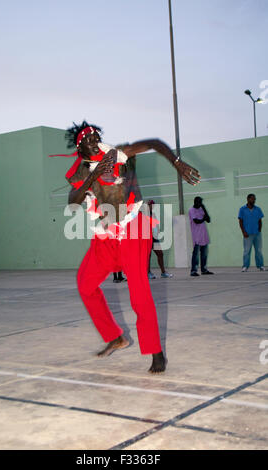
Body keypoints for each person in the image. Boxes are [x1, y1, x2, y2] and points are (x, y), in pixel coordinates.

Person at [64, 121, 200, 373]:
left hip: (133, 228)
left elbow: (153, 143)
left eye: (96, 135)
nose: (94, 139)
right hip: (105, 236)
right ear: (80, 146)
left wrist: (176, 162)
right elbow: (73, 202)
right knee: (85, 283)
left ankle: (156, 352)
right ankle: (115, 337)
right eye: (88, 138)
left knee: (139, 291)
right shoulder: (82, 171)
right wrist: (93, 174)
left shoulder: (118, 153)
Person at [238, 194, 265, 272]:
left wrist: (259, 230)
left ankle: (261, 266)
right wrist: (244, 232)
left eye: (254, 199)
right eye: (252, 199)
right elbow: (240, 221)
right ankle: (245, 266)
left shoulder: (258, 209)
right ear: (248, 199)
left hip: (257, 234)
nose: (253, 200)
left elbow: (260, 220)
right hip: (247, 234)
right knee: (247, 251)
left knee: (259, 251)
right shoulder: (242, 209)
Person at [147, 200, 173, 279]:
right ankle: (148, 273)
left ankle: (163, 272)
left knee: (160, 254)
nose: (153, 206)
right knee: (148, 256)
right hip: (147, 238)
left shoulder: (154, 214)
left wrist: (157, 231)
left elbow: (155, 225)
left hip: (154, 238)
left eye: (153, 205)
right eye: (151, 205)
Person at [189, 196, 213, 276]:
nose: (200, 204)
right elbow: (196, 221)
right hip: (196, 236)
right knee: (195, 254)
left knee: (204, 254)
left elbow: (208, 220)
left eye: (201, 202)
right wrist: (203, 218)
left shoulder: (201, 209)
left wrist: (204, 209)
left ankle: (204, 270)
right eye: (199, 202)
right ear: (195, 202)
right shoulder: (191, 210)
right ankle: (193, 271)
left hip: (204, 236)